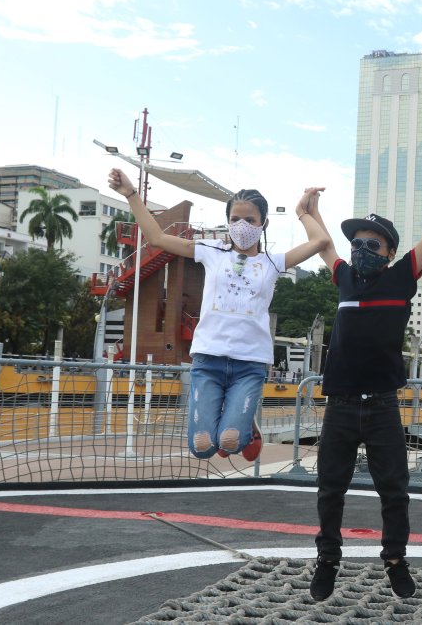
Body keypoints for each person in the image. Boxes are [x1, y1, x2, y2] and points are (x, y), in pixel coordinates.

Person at [304, 164, 422, 602]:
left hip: (382, 407)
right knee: (329, 488)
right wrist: (306, 211)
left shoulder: (401, 277)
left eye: (371, 244)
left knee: (394, 490)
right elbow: (325, 246)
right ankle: (328, 560)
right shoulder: (344, 278)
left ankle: (395, 560)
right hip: (340, 404)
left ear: (389, 252)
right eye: (357, 243)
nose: (360, 249)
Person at [107, 168, 328, 462]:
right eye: (235, 219)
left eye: (250, 220)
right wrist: (131, 194)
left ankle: (245, 425)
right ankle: (237, 418)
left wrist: (304, 211)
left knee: (230, 440)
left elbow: (320, 241)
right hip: (209, 359)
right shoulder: (212, 251)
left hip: (249, 364)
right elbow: (158, 238)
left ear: (263, 223)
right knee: (202, 447)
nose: (241, 225)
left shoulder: (273, 263)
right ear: (227, 222)